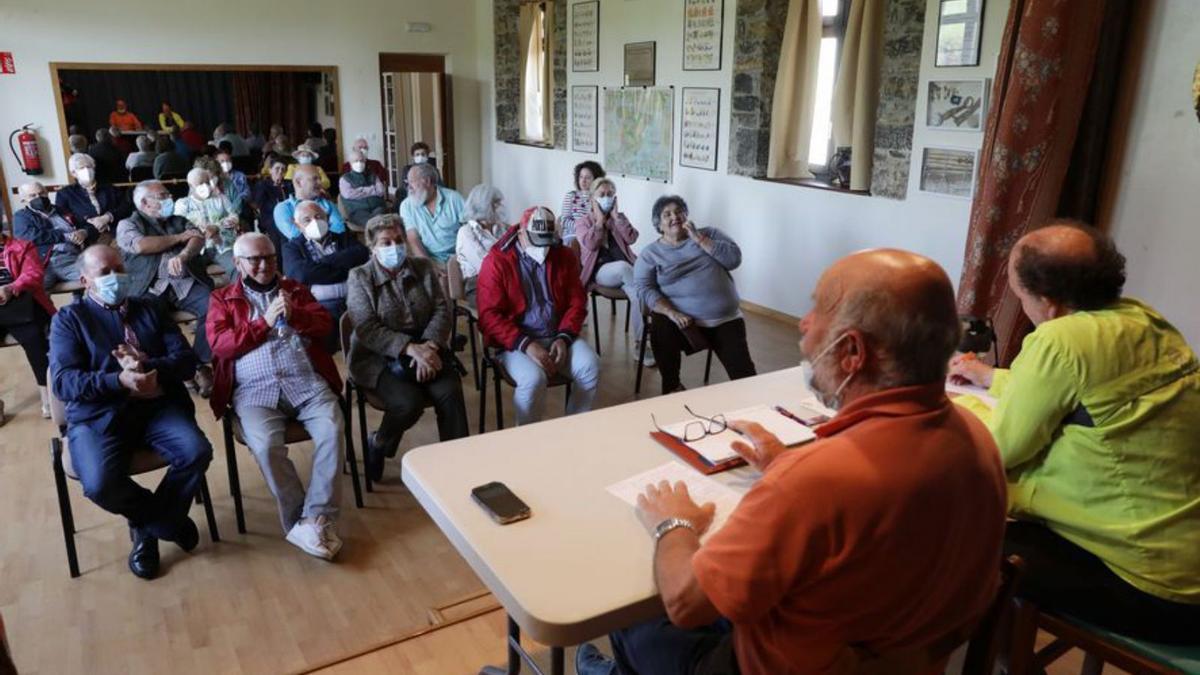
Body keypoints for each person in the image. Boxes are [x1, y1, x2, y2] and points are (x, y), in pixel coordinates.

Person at [577, 249, 1009, 675]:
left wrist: (673, 524)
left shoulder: (815, 482)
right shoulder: (977, 441)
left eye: (818, 308)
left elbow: (685, 603)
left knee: (636, 618)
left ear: (853, 352)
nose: (803, 323)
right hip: (897, 654)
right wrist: (785, 465)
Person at [948, 222, 1200, 643]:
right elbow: (1073, 392)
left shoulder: (1059, 339)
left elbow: (1003, 449)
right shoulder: (1142, 320)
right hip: (1187, 562)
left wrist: (944, 414)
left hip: (1156, 589)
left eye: (1021, 295)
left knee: (966, 538)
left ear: (1046, 301)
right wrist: (989, 376)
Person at [50, 245, 213, 580]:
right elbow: (64, 383)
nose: (115, 278)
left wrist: (147, 365)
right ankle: (162, 522)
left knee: (196, 451)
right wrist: (119, 380)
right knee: (98, 483)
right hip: (100, 416)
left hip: (156, 408)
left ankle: (148, 528)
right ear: (85, 281)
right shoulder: (69, 319)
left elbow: (185, 360)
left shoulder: (150, 307)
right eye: (104, 273)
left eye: (119, 269)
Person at [207, 233, 347, 560]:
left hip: (304, 382)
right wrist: (264, 322)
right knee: (267, 445)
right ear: (238, 264)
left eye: (269, 257)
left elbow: (325, 325)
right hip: (254, 391)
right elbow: (221, 345)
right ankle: (303, 519)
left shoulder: (295, 290)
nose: (264, 265)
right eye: (254, 259)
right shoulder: (223, 298)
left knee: (331, 429)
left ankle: (317, 517)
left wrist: (296, 314)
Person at [347, 214, 469, 481]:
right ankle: (379, 442)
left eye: (399, 240)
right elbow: (366, 327)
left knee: (450, 392)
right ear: (373, 247)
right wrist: (409, 349)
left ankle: (457, 461)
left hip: (428, 347)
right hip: (377, 356)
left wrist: (430, 346)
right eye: (386, 242)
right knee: (408, 403)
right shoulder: (360, 277)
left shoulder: (423, 268)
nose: (394, 247)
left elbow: (442, 310)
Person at [477, 206, 599, 425]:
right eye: (536, 241)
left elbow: (577, 301)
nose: (543, 250)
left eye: (547, 242)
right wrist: (526, 344)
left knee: (590, 366)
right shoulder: (497, 261)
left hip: (557, 335)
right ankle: (527, 439)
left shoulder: (563, 255)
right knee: (533, 380)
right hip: (514, 343)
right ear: (521, 233)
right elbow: (489, 317)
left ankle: (575, 428)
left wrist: (564, 337)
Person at [635, 196, 755, 395]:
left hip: (725, 320)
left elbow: (734, 259)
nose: (675, 217)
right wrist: (672, 312)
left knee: (746, 379)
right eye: (667, 214)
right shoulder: (650, 254)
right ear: (659, 225)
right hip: (685, 324)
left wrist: (699, 239)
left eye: (679, 211)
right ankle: (672, 386)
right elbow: (644, 288)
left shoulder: (709, 233)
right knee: (661, 321)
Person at [115, 180, 215, 396]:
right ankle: (182, 371)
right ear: (144, 202)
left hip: (183, 282)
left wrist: (184, 254)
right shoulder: (128, 224)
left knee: (214, 305)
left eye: (168, 195)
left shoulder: (177, 219)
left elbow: (197, 237)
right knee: (152, 320)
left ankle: (198, 363)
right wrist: (178, 238)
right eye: (162, 196)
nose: (169, 199)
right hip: (149, 286)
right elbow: (141, 245)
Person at [576, 177, 647, 363]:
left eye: (610, 194)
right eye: (602, 195)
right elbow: (590, 244)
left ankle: (641, 344)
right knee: (630, 273)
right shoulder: (583, 222)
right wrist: (599, 222)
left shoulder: (619, 218)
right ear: (593, 198)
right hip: (600, 272)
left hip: (626, 274)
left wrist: (617, 218)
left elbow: (632, 238)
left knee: (638, 294)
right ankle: (652, 312)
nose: (607, 198)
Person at [281, 200, 369, 351]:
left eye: (319, 216)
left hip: (355, 298)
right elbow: (300, 274)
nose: (315, 222)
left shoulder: (344, 237)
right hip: (321, 305)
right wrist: (344, 268)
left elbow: (361, 254)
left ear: (327, 218)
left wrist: (319, 265)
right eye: (307, 220)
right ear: (297, 225)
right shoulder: (291, 247)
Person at [0, 226, 56, 418]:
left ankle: (47, 394)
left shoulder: (22, 246)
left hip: (21, 302)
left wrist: (12, 287)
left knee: (34, 340)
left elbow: (34, 273)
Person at [13, 181, 88, 287]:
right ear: (23, 200)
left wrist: (83, 232)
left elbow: (86, 224)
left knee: (99, 276)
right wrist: (63, 236)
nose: (39, 197)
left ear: (47, 192)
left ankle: (80, 300)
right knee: (28, 291)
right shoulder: (21, 216)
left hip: (73, 257)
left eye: (41, 193)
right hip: (45, 262)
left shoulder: (62, 210)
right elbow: (28, 236)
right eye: (32, 196)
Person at [175, 167, 240, 277]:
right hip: (196, 250)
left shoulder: (220, 199)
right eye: (200, 183)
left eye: (206, 182)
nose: (205, 185)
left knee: (237, 267)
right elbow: (178, 227)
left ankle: (236, 293)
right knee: (186, 272)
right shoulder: (183, 204)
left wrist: (217, 227)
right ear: (191, 186)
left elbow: (234, 217)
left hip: (222, 246)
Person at [400, 163, 465, 266]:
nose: (409, 187)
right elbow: (413, 239)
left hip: (459, 257)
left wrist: (461, 258)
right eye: (407, 182)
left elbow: (469, 229)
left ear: (427, 181)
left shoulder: (454, 199)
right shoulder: (406, 206)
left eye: (412, 182)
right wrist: (430, 266)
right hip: (428, 258)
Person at [56, 153, 129, 245]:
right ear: (73, 173)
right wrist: (87, 229)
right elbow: (64, 220)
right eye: (81, 168)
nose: (86, 170)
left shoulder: (110, 189)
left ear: (94, 168)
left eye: (89, 166)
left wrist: (108, 217)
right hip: (87, 238)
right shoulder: (65, 193)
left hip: (116, 233)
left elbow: (125, 207)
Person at [455, 184, 507, 292]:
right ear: (482, 206)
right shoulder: (466, 232)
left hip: (506, 279)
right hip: (478, 283)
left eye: (499, 202)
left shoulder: (502, 227)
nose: (500, 207)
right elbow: (484, 265)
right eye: (495, 203)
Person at [273, 164, 345, 240]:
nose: (320, 183)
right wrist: (326, 226)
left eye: (320, 179)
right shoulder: (283, 208)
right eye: (315, 179)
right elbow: (296, 236)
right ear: (298, 182)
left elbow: (339, 231)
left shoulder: (328, 204)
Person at [252, 156, 294, 252]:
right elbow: (260, 204)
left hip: (290, 217)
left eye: (283, 169)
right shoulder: (262, 185)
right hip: (271, 218)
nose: (280, 172)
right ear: (270, 170)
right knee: (278, 234)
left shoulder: (289, 184)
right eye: (277, 169)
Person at [338, 149, 388, 226]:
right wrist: (372, 189)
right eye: (356, 161)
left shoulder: (373, 175)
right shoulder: (345, 179)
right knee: (371, 224)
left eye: (362, 161)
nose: (359, 163)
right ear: (350, 163)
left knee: (381, 220)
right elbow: (348, 194)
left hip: (377, 207)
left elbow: (381, 191)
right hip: (357, 211)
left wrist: (359, 191)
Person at [560, 160, 605, 244]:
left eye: (587, 178)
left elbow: (602, 222)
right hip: (573, 236)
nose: (583, 180)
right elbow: (564, 221)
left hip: (593, 237)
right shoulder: (571, 196)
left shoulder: (600, 199)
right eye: (581, 177)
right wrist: (582, 229)